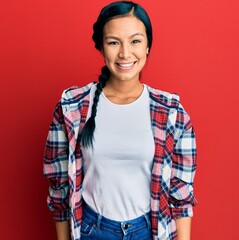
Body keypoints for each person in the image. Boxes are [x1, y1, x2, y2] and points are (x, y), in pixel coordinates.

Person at [43, 1, 197, 239]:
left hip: (149, 231)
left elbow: (181, 193)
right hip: (92, 230)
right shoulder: (72, 107)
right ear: (102, 48)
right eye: (114, 42)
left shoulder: (172, 113)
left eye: (135, 41)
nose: (125, 53)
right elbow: (60, 188)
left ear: (147, 46)